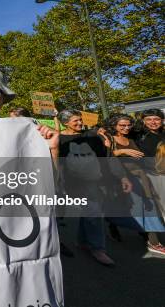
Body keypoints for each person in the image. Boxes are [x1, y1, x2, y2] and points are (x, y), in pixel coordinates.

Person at [56, 109, 132, 266]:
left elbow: (107, 158)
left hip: (95, 181)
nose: (79, 123)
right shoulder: (60, 139)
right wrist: (59, 184)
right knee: (93, 211)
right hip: (74, 184)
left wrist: (122, 176)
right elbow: (59, 165)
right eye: (75, 121)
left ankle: (84, 242)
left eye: (80, 120)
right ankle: (98, 249)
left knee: (90, 211)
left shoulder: (92, 136)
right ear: (65, 123)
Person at [105, 113, 165, 255]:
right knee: (126, 206)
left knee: (148, 206)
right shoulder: (109, 139)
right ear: (114, 126)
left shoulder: (133, 136)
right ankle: (115, 225)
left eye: (128, 125)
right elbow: (104, 156)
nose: (126, 128)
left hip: (140, 176)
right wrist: (121, 151)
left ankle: (152, 240)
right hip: (121, 178)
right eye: (122, 125)